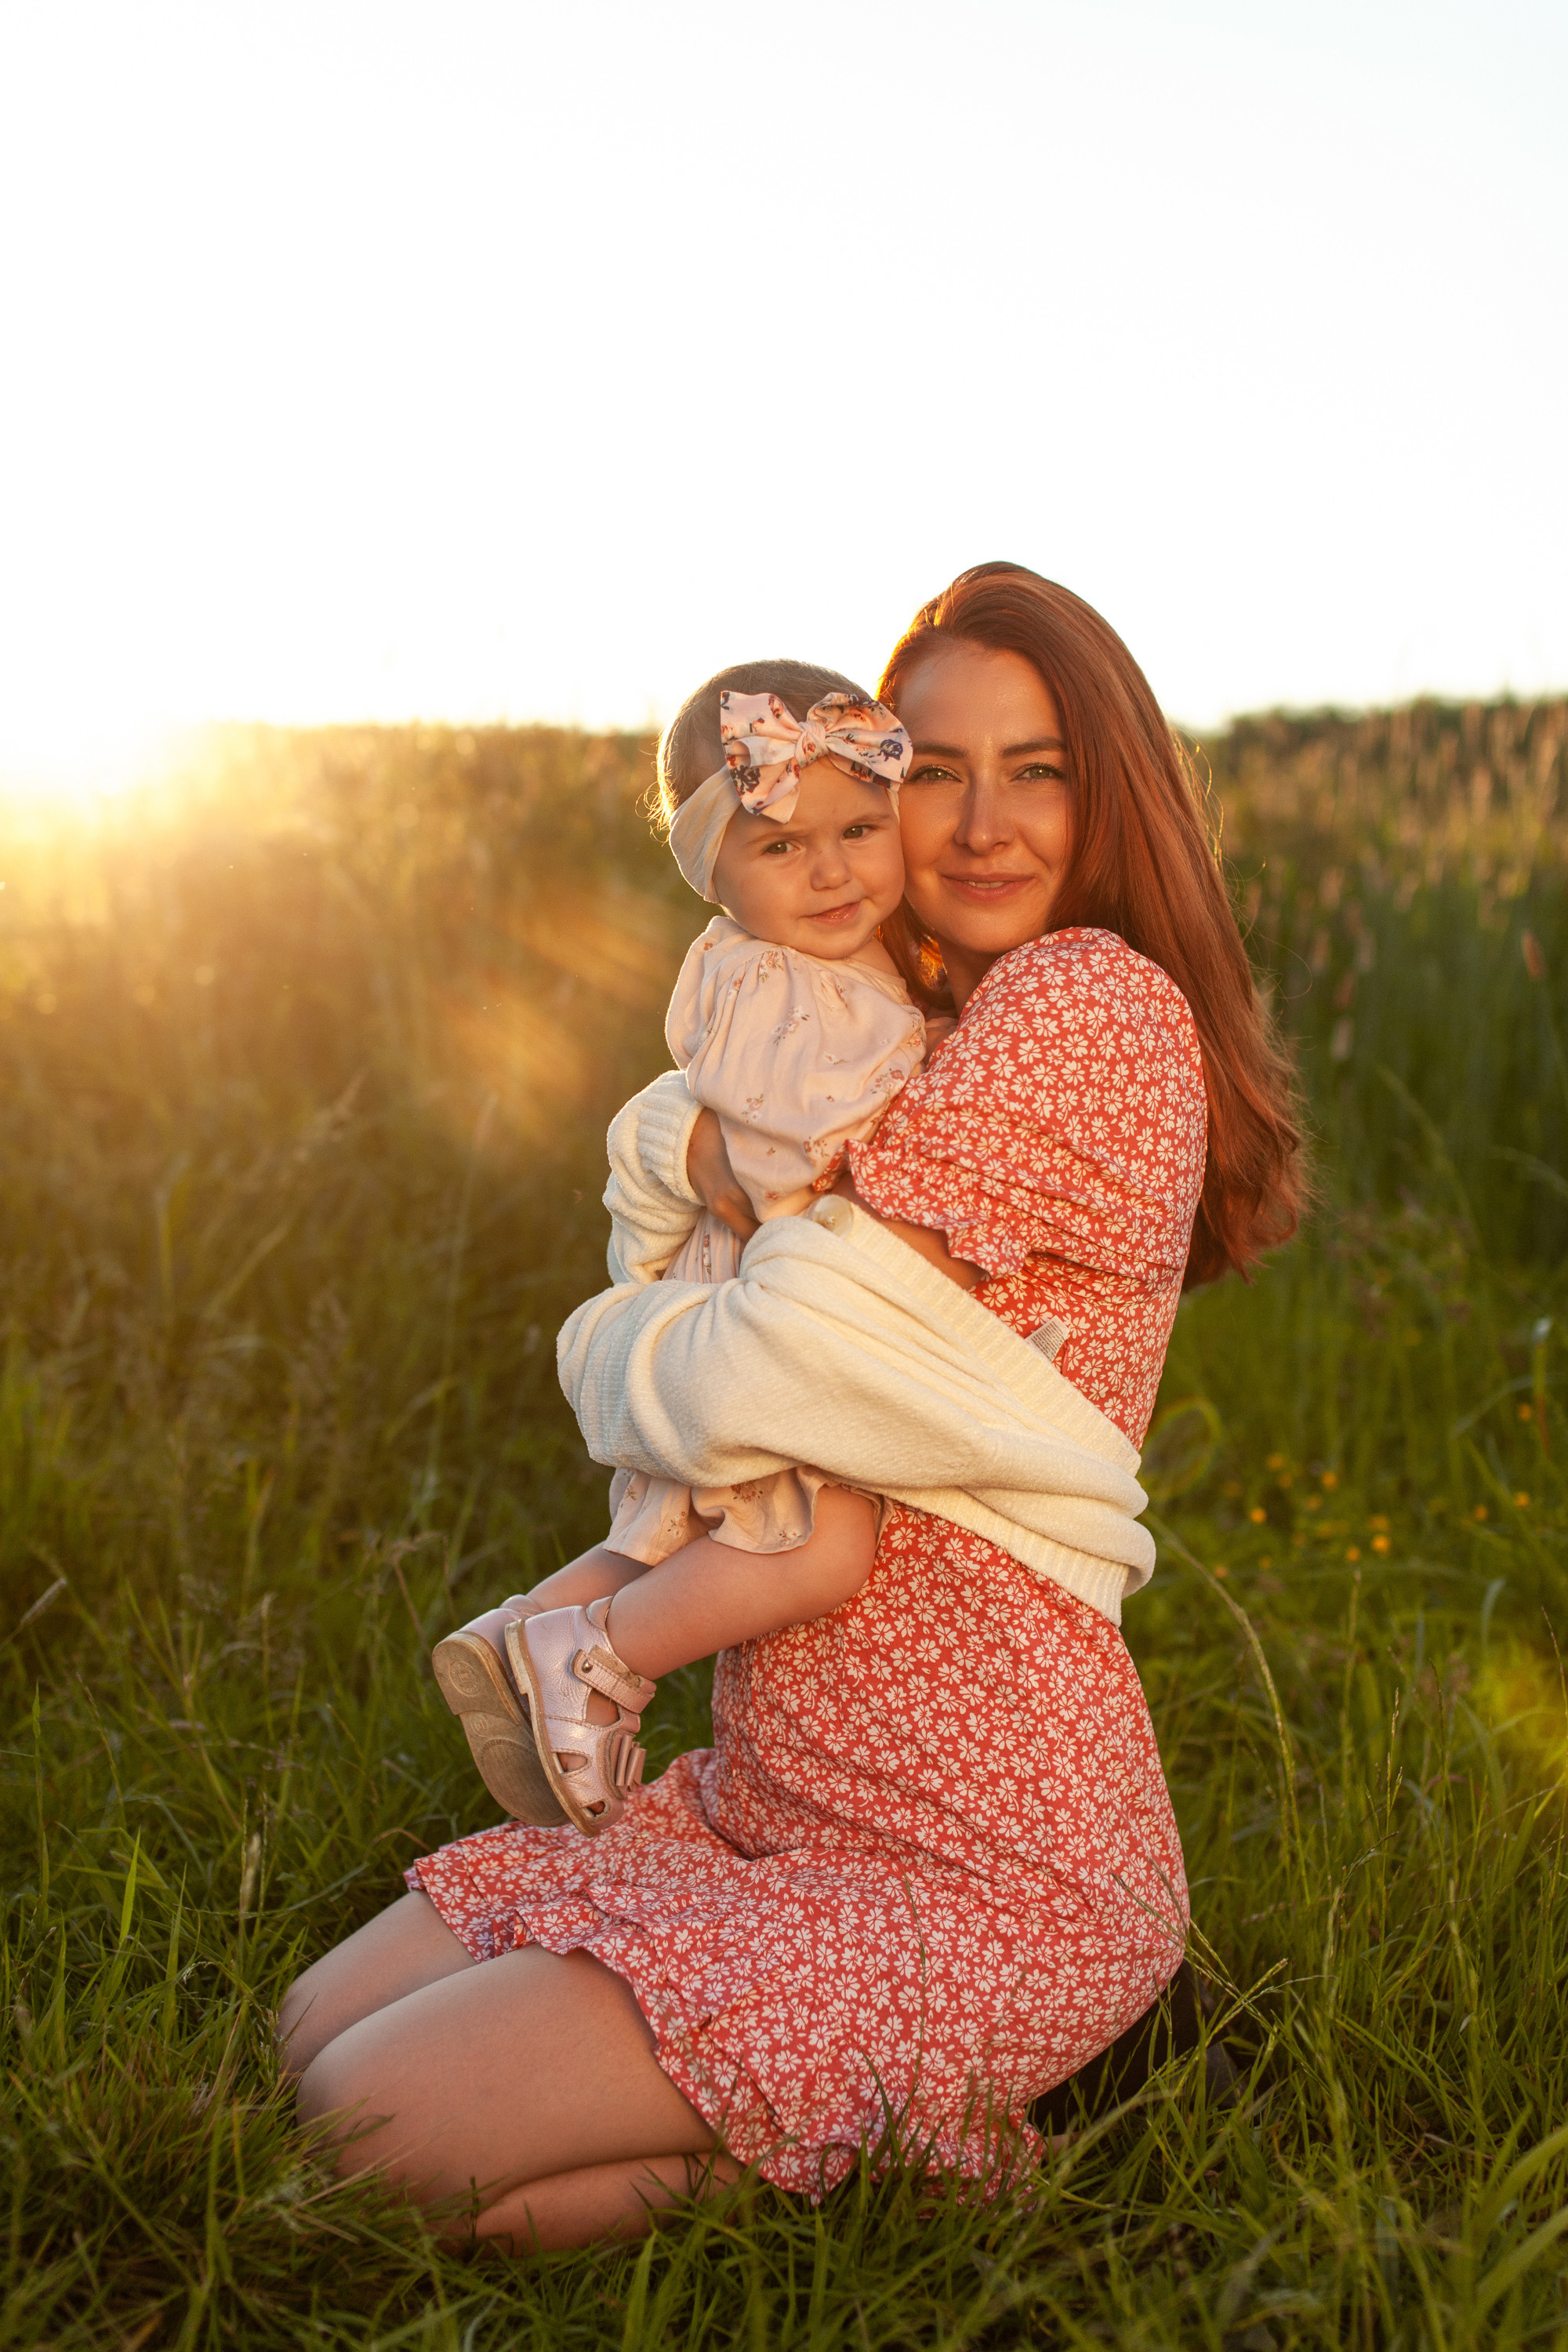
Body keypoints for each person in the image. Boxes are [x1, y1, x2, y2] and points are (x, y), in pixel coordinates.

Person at [276, 561, 1304, 2254]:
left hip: (984, 1859)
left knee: (369, 2136)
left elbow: (755, 1360)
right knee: (312, 2039)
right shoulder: (888, 1010)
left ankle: (945, 2138)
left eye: (1034, 767)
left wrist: (607, 1346)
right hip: (775, 1801)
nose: (973, 823)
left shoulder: (1087, 1002)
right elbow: (700, 1211)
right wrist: (686, 1239)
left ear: (1108, 785)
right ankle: (869, 2111)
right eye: (933, 768)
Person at [430, 668, 930, 1835]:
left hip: (722, 1295)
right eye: (781, 847)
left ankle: (520, 1631)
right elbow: (806, 1144)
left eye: (862, 829)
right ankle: (594, 1662)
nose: (833, 871)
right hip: (766, 1306)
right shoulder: (795, 990)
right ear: (712, 870)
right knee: (816, 1547)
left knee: (676, 1529)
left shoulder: (741, 962)